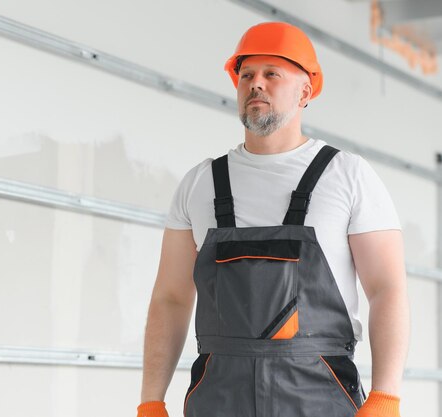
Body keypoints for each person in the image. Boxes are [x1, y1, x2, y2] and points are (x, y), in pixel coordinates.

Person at [136, 22, 409, 417]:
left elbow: (387, 289)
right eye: (246, 74)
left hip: (319, 399)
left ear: (305, 90)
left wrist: (386, 397)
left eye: (271, 74)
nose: (255, 84)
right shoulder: (200, 183)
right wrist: (151, 400)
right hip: (218, 401)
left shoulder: (347, 175)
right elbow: (170, 299)